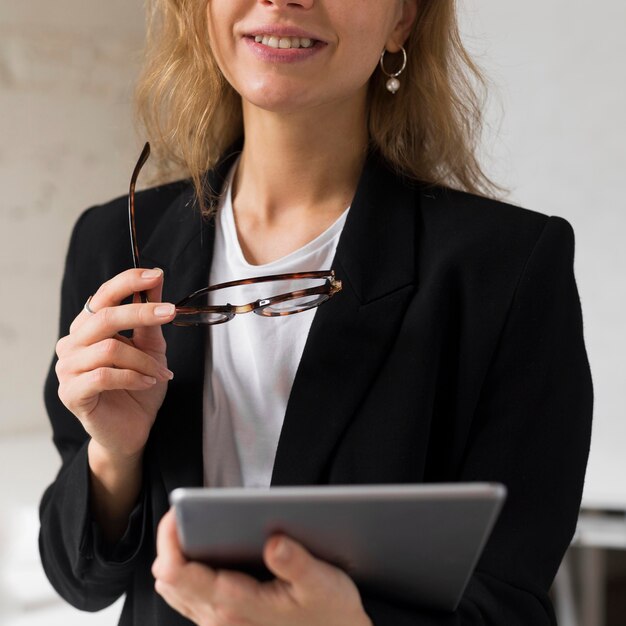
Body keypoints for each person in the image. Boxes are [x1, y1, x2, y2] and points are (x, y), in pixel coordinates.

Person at [39, 0, 594, 624]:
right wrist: (115, 455)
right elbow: (79, 580)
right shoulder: (113, 241)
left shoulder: (510, 270)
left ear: (402, 19)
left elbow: (511, 604)